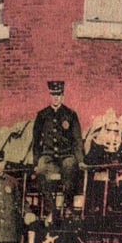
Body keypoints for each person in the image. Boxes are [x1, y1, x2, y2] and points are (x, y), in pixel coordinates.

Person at [32, 80, 84, 210]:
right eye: (53, 94)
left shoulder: (70, 114)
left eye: (58, 94)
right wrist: (35, 162)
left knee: (71, 168)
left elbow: (77, 139)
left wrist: (80, 160)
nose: (56, 98)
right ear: (49, 95)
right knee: (41, 172)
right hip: (48, 155)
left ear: (62, 96)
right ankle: (52, 208)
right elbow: (36, 140)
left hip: (66, 155)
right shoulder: (42, 115)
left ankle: (67, 205)